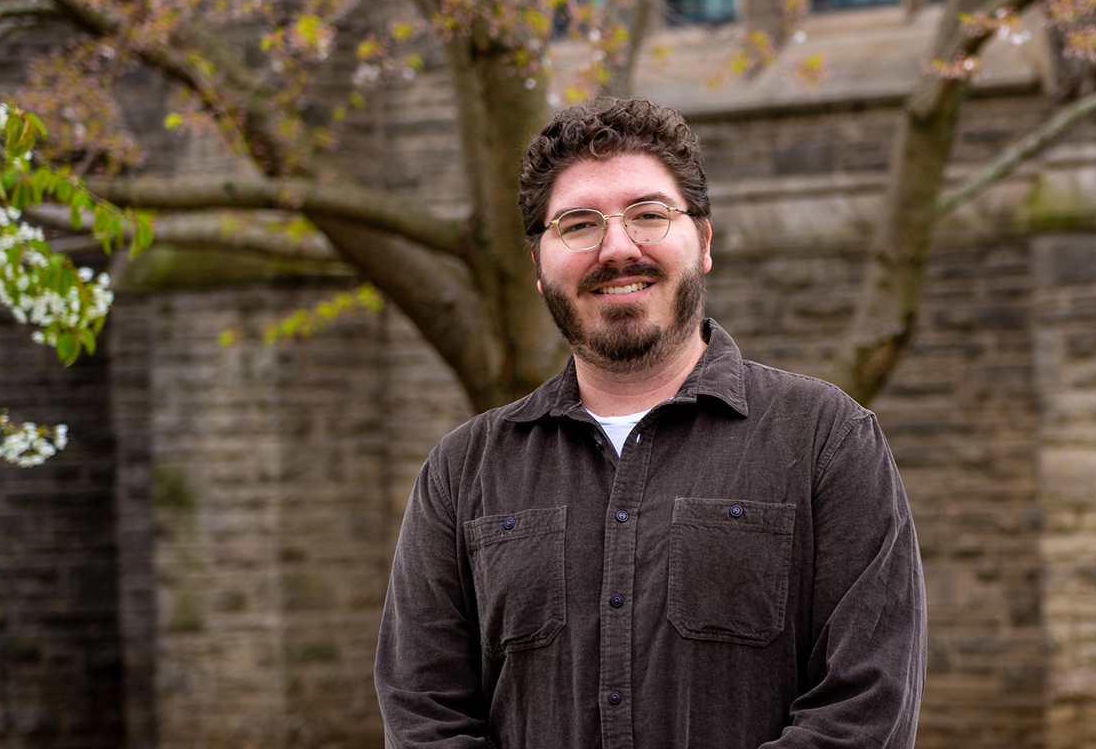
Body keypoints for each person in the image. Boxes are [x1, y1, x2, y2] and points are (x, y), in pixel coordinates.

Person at [375, 97, 926, 748]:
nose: (617, 248)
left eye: (649, 215)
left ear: (705, 241)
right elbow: (424, 717)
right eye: (578, 225)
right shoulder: (463, 472)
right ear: (538, 266)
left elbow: (865, 709)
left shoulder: (826, 440)